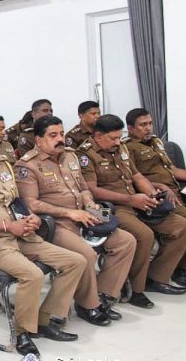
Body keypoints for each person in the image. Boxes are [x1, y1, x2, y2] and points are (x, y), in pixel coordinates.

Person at [0, 121, 86, 357]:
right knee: (32, 274)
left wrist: (31, 217)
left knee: (76, 261)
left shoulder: (4, 165)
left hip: (20, 233)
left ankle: (43, 320)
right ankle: (23, 332)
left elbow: (14, 201)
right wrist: (7, 226)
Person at [15, 116, 136, 324]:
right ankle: (88, 305)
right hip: (55, 222)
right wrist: (70, 213)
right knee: (86, 254)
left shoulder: (70, 156)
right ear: (39, 140)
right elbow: (31, 204)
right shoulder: (27, 165)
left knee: (126, 241)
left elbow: (84, 188)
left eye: (61, 134)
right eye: (53, 135)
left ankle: (103, 295)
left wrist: (90, 204)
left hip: (84, 212)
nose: (60, 139)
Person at [78, 114, 186, 307]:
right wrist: (131, 199)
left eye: (118, 137)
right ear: (98, 136)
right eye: (112, 138)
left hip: (137, 200)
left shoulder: (120, 147)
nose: (117, 142)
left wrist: (152, 194)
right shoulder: (85, 155)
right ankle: (135, 289)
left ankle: (156, 277)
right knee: (144, 235)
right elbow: (92, 190)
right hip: (112, 207)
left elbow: (137, 176)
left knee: (181, 226)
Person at [124, 108, 186, 286]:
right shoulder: (128, 148)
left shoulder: (156, 142)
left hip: (177, 191)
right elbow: (132, 179)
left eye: (150, 123)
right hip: (159, 196)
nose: (148, 128)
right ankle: (179, 270)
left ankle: (180, 267)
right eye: (143, 125)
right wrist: (160, 186)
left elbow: (173, 170)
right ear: (130, 128)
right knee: (185, 223)